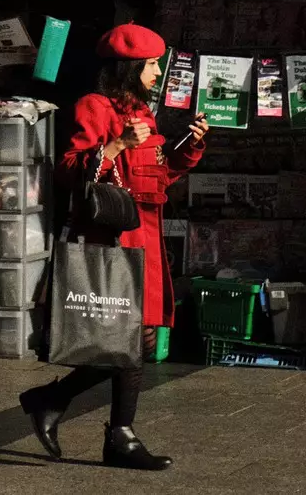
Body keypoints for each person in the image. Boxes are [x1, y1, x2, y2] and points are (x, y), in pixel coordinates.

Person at [21, 24, 208, 470]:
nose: (158, 71)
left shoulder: (144, 113)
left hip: (144, 236)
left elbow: (157, 175)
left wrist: (189, 150)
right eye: (151, 64)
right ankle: (117, 435)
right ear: (129, 67)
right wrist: (117, 144)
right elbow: (69, 168)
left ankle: (54, 399)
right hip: (111, 238)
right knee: (131, 338)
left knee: (134, 339)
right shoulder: (94, 107)